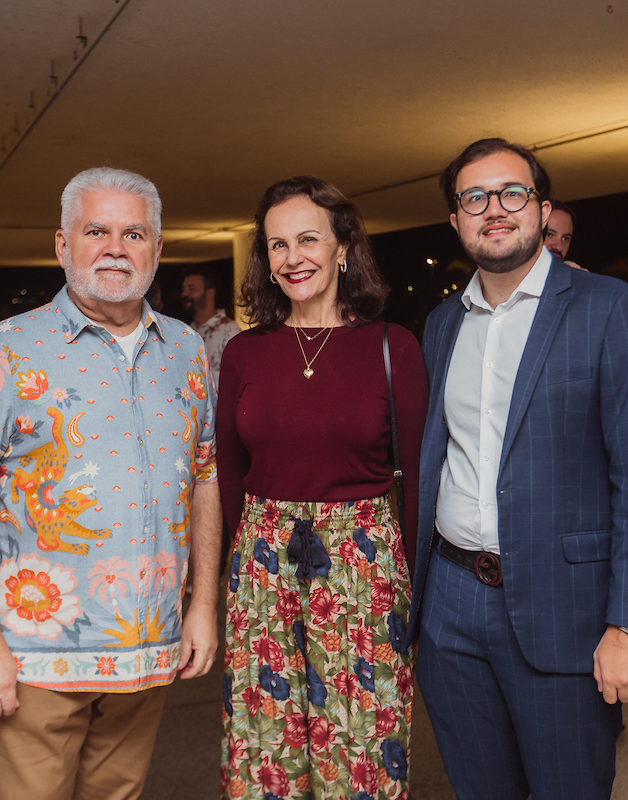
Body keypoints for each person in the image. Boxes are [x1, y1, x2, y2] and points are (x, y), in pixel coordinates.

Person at [0, 167, 220, 800]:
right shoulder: (9, 348)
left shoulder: (186, 350)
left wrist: (201, 607)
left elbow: (204, 480)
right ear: (63, 245)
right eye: (97, 231)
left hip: (148, 650)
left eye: (133, 233)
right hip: (36, 660)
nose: (116, 247)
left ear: (157, 249)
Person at [407, 138, 628, 800]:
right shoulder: (441, 325)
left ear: (541, 208)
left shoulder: (609, 308)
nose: (494, 209)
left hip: (566, 608)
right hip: (451, 603)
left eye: (512, 193)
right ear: (456, 219)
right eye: (474, 197)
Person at [217, 176, 427, 800]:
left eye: (308, 239)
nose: (292, 257)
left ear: (342, 248)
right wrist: (239, 569)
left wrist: (416, 590)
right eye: (277, 245)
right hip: (261, 566)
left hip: (363, 563)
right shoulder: (244, 355)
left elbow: (416, 476)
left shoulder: (393, 346)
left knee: (361, 740)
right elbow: (229, 471)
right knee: (265, 744)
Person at [181, 267, 241, 390]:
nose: (184, 294)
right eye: (184, 289)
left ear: (210, 293)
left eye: (191, 289)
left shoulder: (230, 331)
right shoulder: (185, 332)